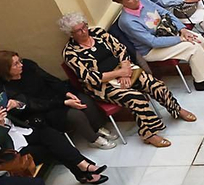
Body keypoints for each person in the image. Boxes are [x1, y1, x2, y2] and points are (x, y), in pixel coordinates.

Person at [59, 15, 194, 147]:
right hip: (102, 85)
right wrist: (118, 74)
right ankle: (148, 134)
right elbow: (91, 78)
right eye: (79, 30)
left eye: (84, 26)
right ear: (71, 34)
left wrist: (125, 69)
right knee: (136, 98)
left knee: (155, 85)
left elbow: (121, 49)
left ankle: (176, 109)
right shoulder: (70, 53)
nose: (84, 31)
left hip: (125, 70)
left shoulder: (98, 33)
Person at [0, 51, 115, 152]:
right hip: (44, 109)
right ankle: (93, 139)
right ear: (6, 70)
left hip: (54, 94)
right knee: (75, 115)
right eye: (15, 64)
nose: (21, 65)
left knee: (83, 100)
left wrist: (66, 93)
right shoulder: (8, 88)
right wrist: (64, 103)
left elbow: (50, 79)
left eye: (19, 61)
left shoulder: (28, 65)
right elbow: (34, 104)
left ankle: (97, 127)